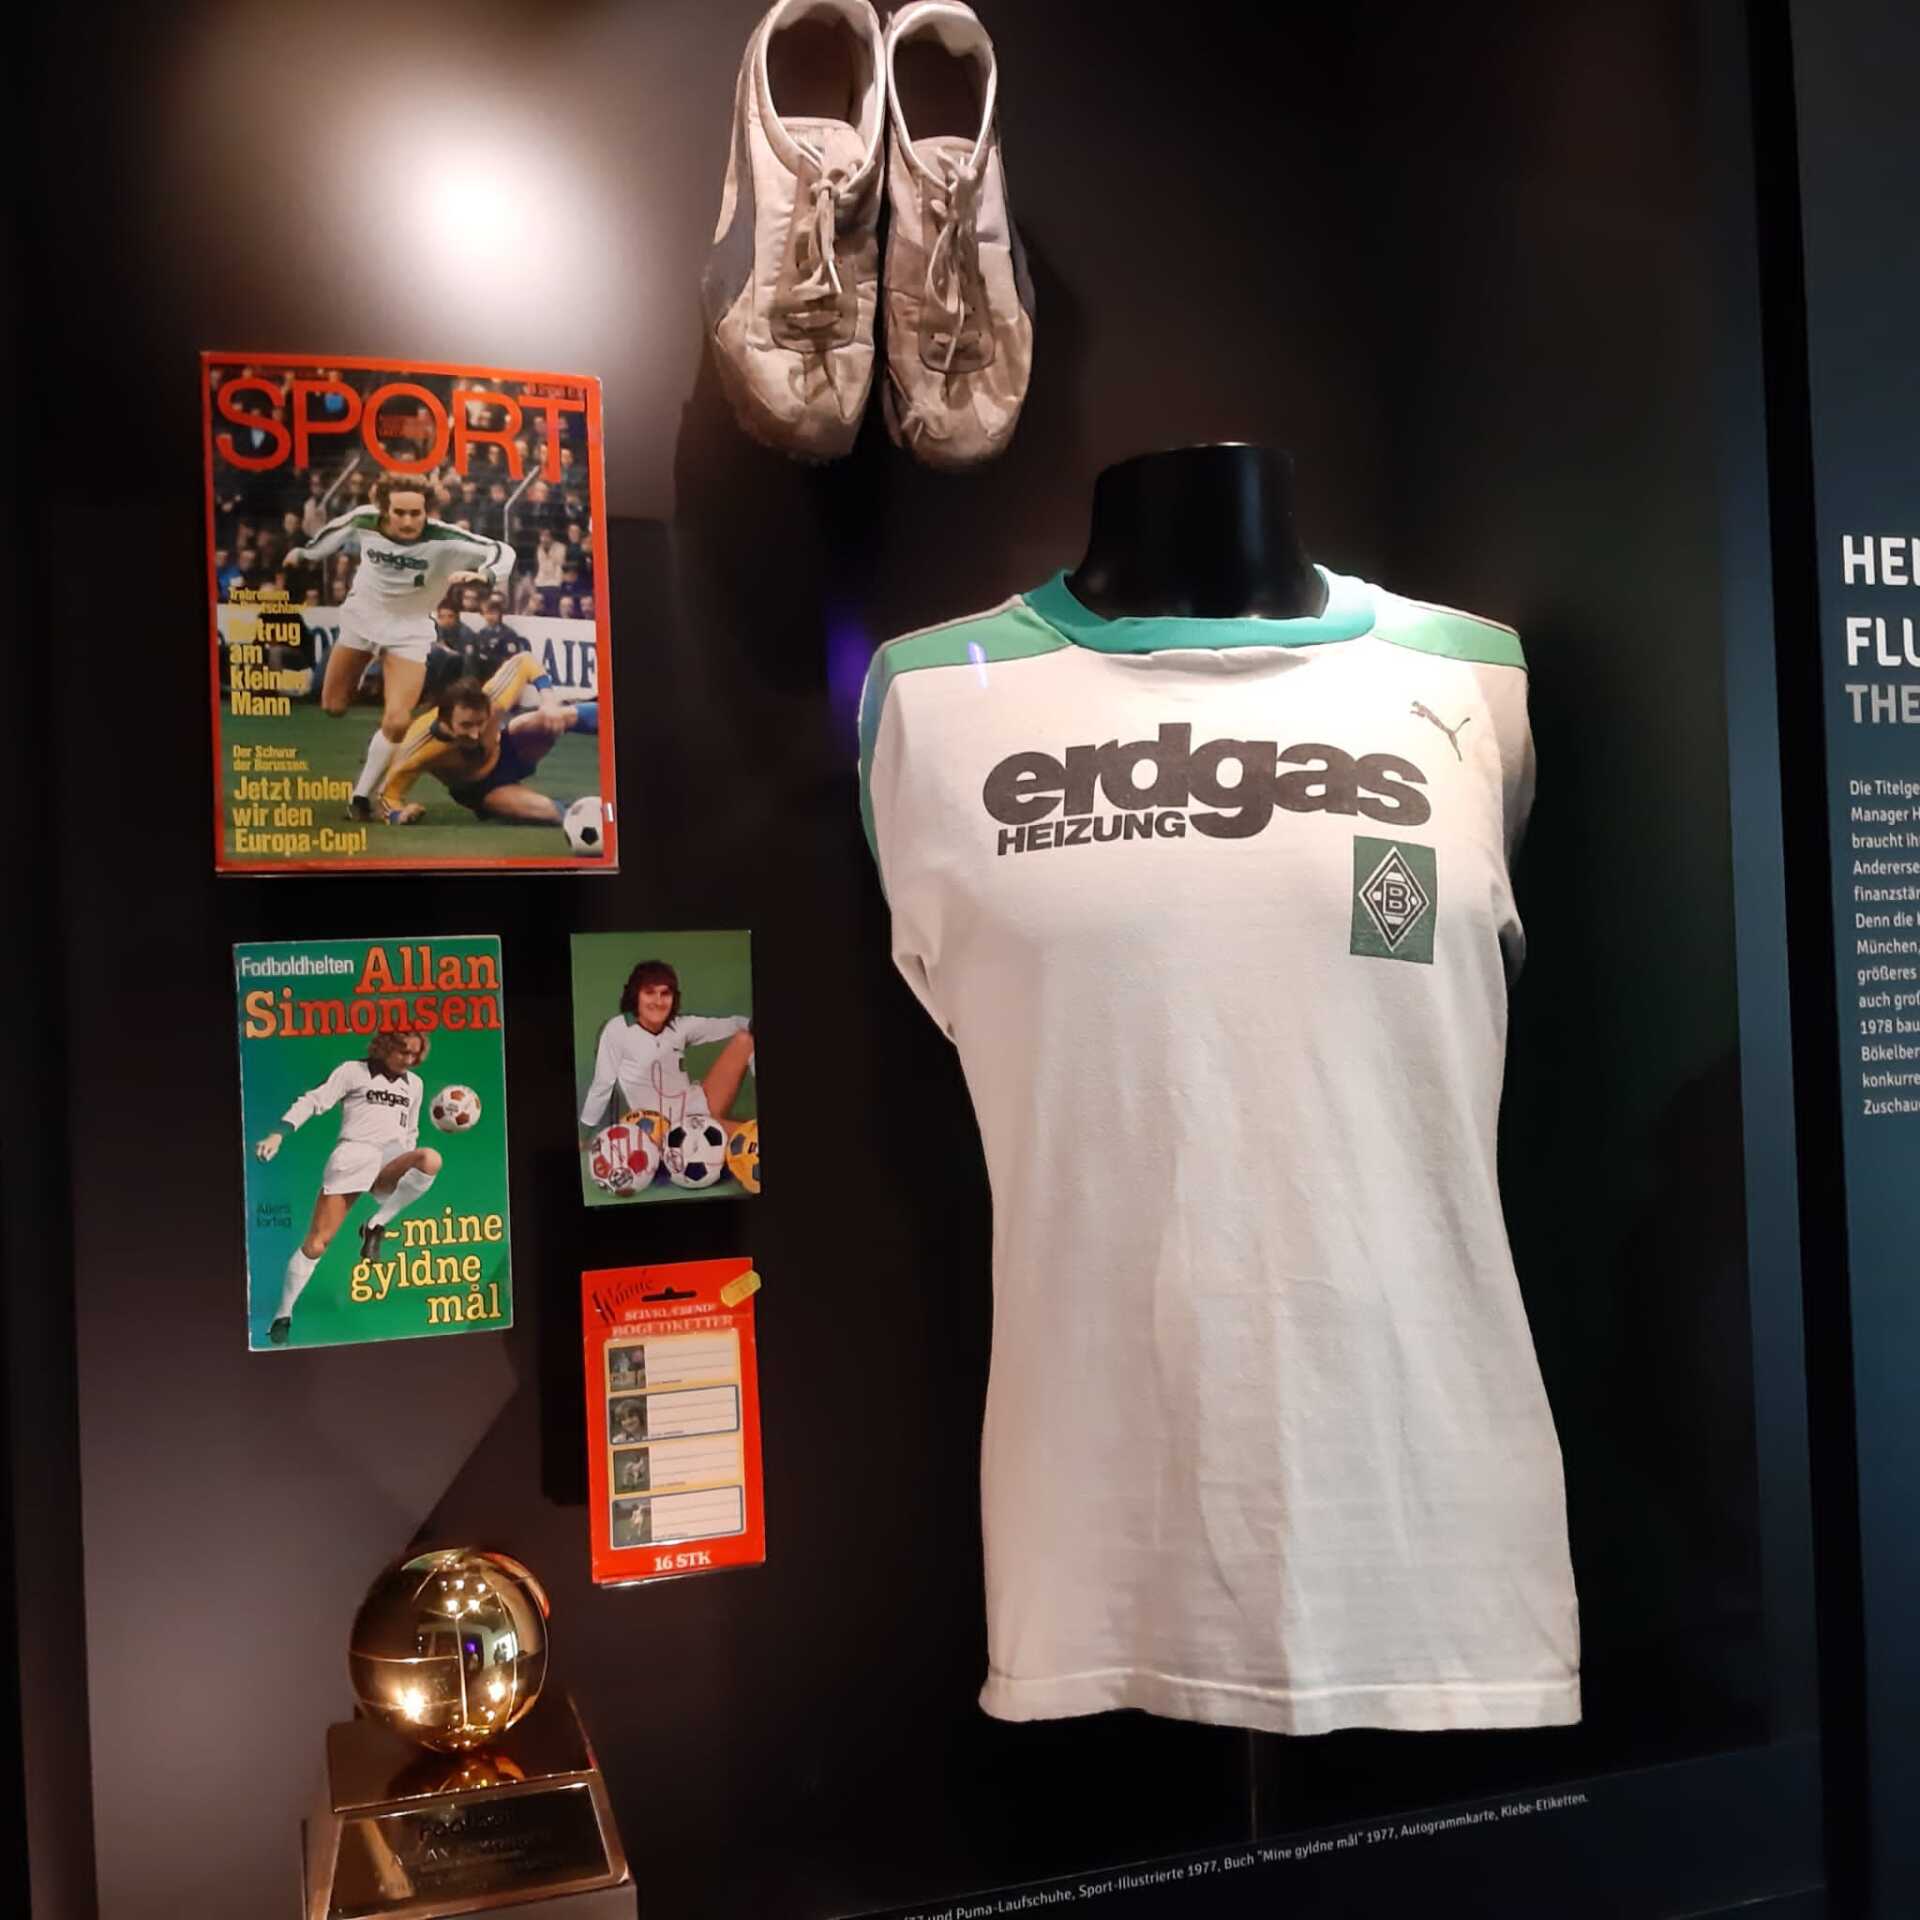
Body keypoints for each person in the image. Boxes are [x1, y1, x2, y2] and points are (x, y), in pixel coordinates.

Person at [285, 471, 516, 820]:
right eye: (400, 513)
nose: (408, 521)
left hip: (409, 631)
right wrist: (306, 553)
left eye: (416, 513)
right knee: (332, 706)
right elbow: (333, 533)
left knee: (397, 721)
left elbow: (501, 550)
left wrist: (486, 574)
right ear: (384, 509)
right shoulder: (365, 520)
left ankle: (361, 798)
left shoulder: (445, 539)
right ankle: (368, 695)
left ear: (427, 511)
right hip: (362, 618)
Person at [252, 1028, 443, 1346]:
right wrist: (279, 1133)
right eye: (403, 1052)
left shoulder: (415, 1084)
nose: (409, 1060)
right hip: (354, 1156)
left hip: (390, 1159)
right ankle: (283, 1314)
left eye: (414, 1054)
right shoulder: (353, 1071)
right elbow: (313, 1100)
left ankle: (375, 1224)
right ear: (385, 1047)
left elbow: (411, 1130)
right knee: (316, 1245)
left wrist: (402, 1158)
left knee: (429, 1159)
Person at [378, 652, 598, 829]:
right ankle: (598, 818)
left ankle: (612, 717)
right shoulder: (418, 745)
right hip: (481, 790)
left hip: (509, 750)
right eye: (466, 726)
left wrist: (548, 701)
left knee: (553, 717)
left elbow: (524, 661)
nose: (475, 734)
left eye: (480, 723)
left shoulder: (493, 699)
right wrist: (399, 815)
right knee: (548, 812)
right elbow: (387, 795)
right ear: (445, 720)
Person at [579, 960, 753, 1138]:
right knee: (752, 1137)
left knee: (745, 1039)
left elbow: (732, 1024)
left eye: (665, 993)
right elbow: (602, 1085)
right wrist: (584, 1133)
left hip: (699, 1103)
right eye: (649, 992)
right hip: (669, 1127)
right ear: (635, 995)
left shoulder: (679, 1025)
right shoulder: (617, 1030)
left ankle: (716, 1125)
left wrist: (750, 1023)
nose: (658, 1001)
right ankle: (712, 1130)